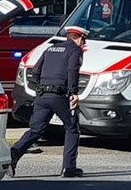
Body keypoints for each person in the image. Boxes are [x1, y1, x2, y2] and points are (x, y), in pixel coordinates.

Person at [9, 25, 86, 178]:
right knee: (72, 128)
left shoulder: (50, 49)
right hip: (59, 96)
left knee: (36, 130)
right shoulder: (75, 50)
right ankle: (69, 168)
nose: (84, 44)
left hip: (42, 95)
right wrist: (73, 92)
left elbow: (36, 70)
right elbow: (72, 71)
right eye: (84, 41)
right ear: (79, 39)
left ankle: (14, 153)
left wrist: (40, 88)